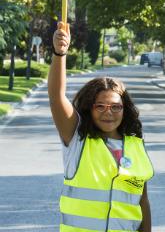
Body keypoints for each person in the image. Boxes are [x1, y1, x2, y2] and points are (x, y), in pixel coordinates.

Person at [49, 22, 153, 231]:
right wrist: (59, 54)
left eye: (116, 107)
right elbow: (56, 97)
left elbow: (142, 202)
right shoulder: (77, 139)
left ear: (125, 110)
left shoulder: (136, 145)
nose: (108, 112)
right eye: (101, 106)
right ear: (89, 108)